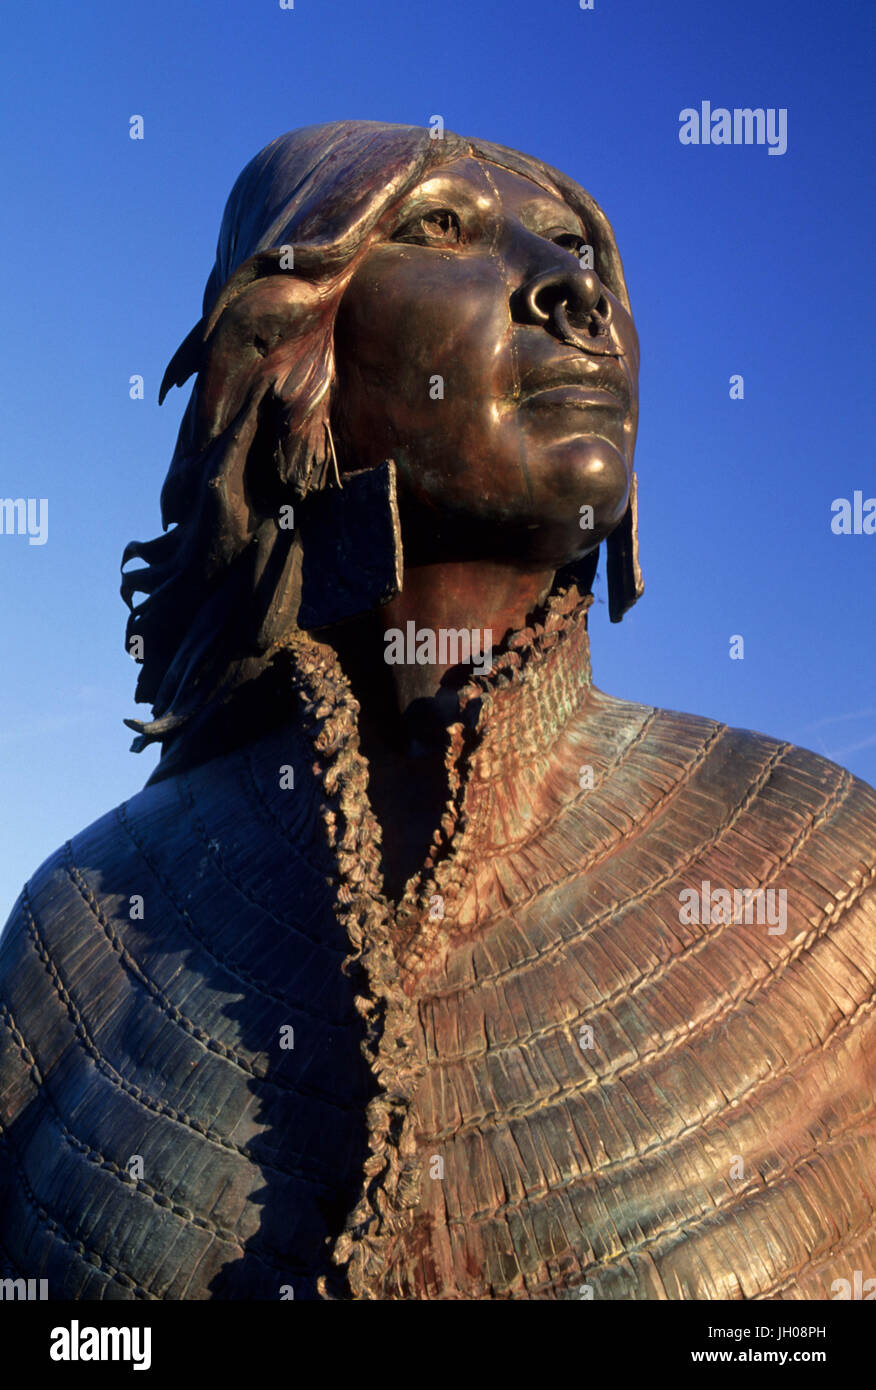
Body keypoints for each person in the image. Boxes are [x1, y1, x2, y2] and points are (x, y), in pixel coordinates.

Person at [0, 122, 873, 1301]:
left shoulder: (827, 865)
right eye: (441, 227)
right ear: (288, 351)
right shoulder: (83, 930)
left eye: (578, 250)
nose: (577, 291)